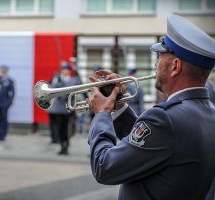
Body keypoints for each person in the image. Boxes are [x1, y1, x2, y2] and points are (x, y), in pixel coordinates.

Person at [86, 15, 215, 199]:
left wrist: (102, 113)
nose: (155, 63)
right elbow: (153, 145)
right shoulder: (209, 112)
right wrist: (119, 105)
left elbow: (104, 167)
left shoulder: (164, 118)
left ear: (175, 66)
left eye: (160, 56)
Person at [48, 62, 78, 155]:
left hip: (67, 109)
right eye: (63, 69)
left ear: (69, 71)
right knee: (60, 129)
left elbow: (69, 92)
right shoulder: (57, 80)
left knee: (67, 129)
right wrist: (57, 81)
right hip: (58, 109)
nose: (65, 71)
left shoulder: (72, 80)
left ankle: (66, 146)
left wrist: (62, 83)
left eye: (66, 69)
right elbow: (51, 90)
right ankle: (62, 146)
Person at [0, 65, 15, 141]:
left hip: (4, 104)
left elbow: (12, 94)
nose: (3, 73)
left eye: (4, 72)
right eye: (2, 71)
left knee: (4, 120)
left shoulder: (10, 81)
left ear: (7, 72)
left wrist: (9, 104)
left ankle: (3, 135)